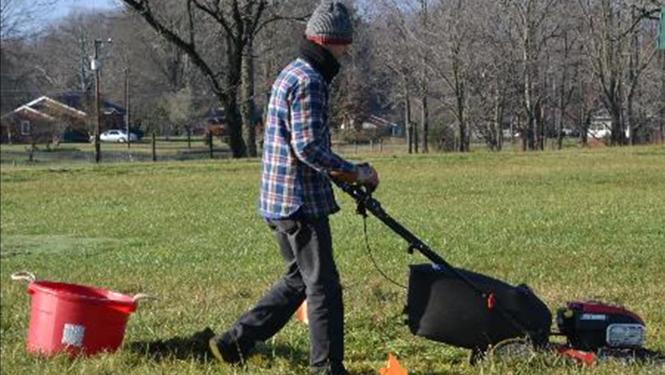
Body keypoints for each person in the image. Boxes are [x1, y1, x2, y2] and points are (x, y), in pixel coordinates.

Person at [208, 1, 379, 374]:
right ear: (329, 40)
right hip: (300, 204)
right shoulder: (310, 81)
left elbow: (300, 146)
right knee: (324, 288)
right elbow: (308, 148)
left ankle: (234, 342)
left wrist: (342, 174)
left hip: (278, 200)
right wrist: (357, 172)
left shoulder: (291, 73)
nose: (346, 51)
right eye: (344, 44)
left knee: (298, 281)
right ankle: (326, 368)